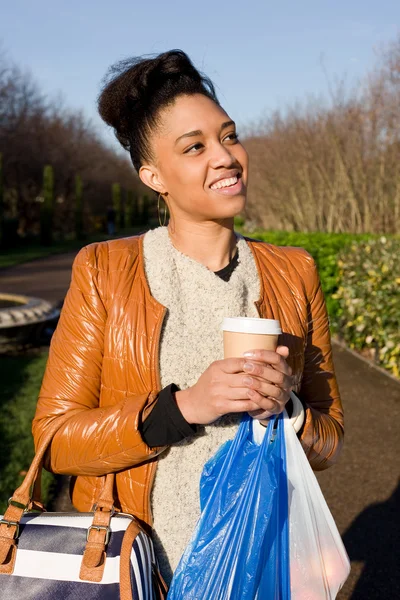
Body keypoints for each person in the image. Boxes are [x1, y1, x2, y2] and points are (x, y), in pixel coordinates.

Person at [32, 49, 344, 587]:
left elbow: (330, 439)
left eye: (229, 136)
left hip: (262, 565)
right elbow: (56, 441)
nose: (224, 157)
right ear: (154, 175)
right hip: (138, 571)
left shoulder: (295, 273)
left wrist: (288, 409)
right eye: (195, 147)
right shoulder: (106, 271)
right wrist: (185, 407)